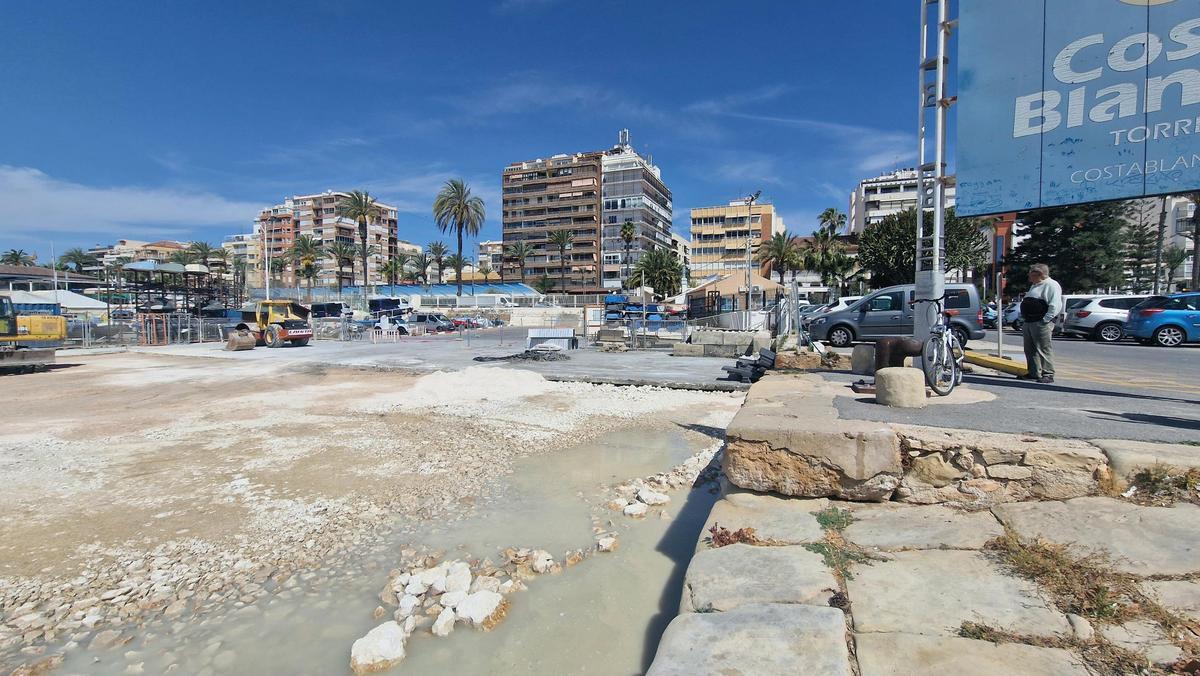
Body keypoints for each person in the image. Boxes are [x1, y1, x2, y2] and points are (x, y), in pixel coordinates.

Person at [1019, 263, 1062, 384]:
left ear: (1040, 274)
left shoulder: (1051, 285)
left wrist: (1046, 319)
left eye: (1031, 274)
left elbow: (1055, 305)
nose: (1029, 277)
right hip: (1029, 321)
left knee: (1043, 348)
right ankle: (1033, 372)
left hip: (1041, 322)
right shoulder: (1035, 285)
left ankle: (1048, 373)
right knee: (1030, 349)